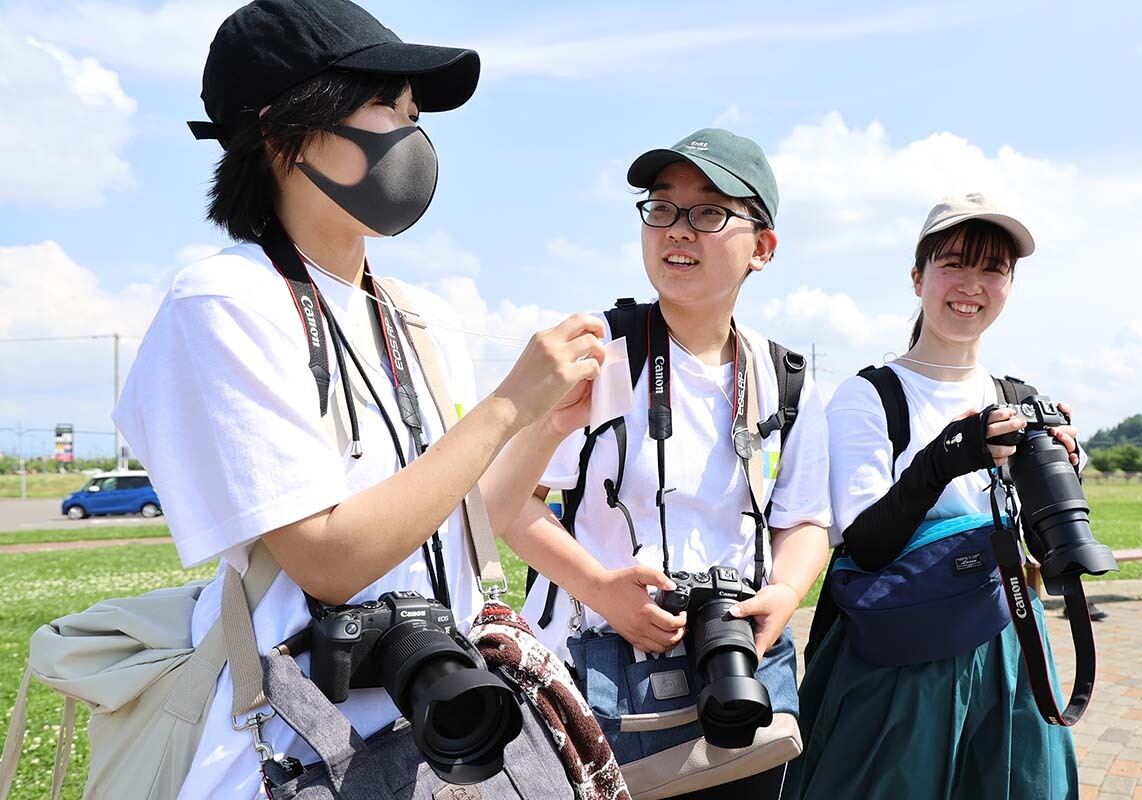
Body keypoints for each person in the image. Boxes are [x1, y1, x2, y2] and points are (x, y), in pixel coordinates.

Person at [113, 2, 603, 797]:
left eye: (415, 115)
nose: (412, 135)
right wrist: (507, 406)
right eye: (387, 107)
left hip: (450, 731)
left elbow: (466, 526)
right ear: (282, 133)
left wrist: (544, 423)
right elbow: (329, 559)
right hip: (297, 745)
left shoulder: (418, 314)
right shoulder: (223, 303)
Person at [487, 128, 832, 798]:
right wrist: (603, 590)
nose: (678, 229)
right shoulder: (598, 350)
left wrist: (782, 597)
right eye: (662, 208)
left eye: (708, 212)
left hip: (733, 672)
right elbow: (509, 505)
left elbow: (807, 520)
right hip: (595, 680)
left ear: (763, 247)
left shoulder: (784, 377)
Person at [787, 194, 1081, 799]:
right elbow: (865, 543)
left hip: (1009, 640)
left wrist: (1061, 473)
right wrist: (948, 456)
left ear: (1010, 285)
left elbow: (1042, 544)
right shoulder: (871, 396)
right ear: (917, 277)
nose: (971, 285)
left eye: (994, 269)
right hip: (897, 651)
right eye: (953, 264)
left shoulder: (1018, 396)